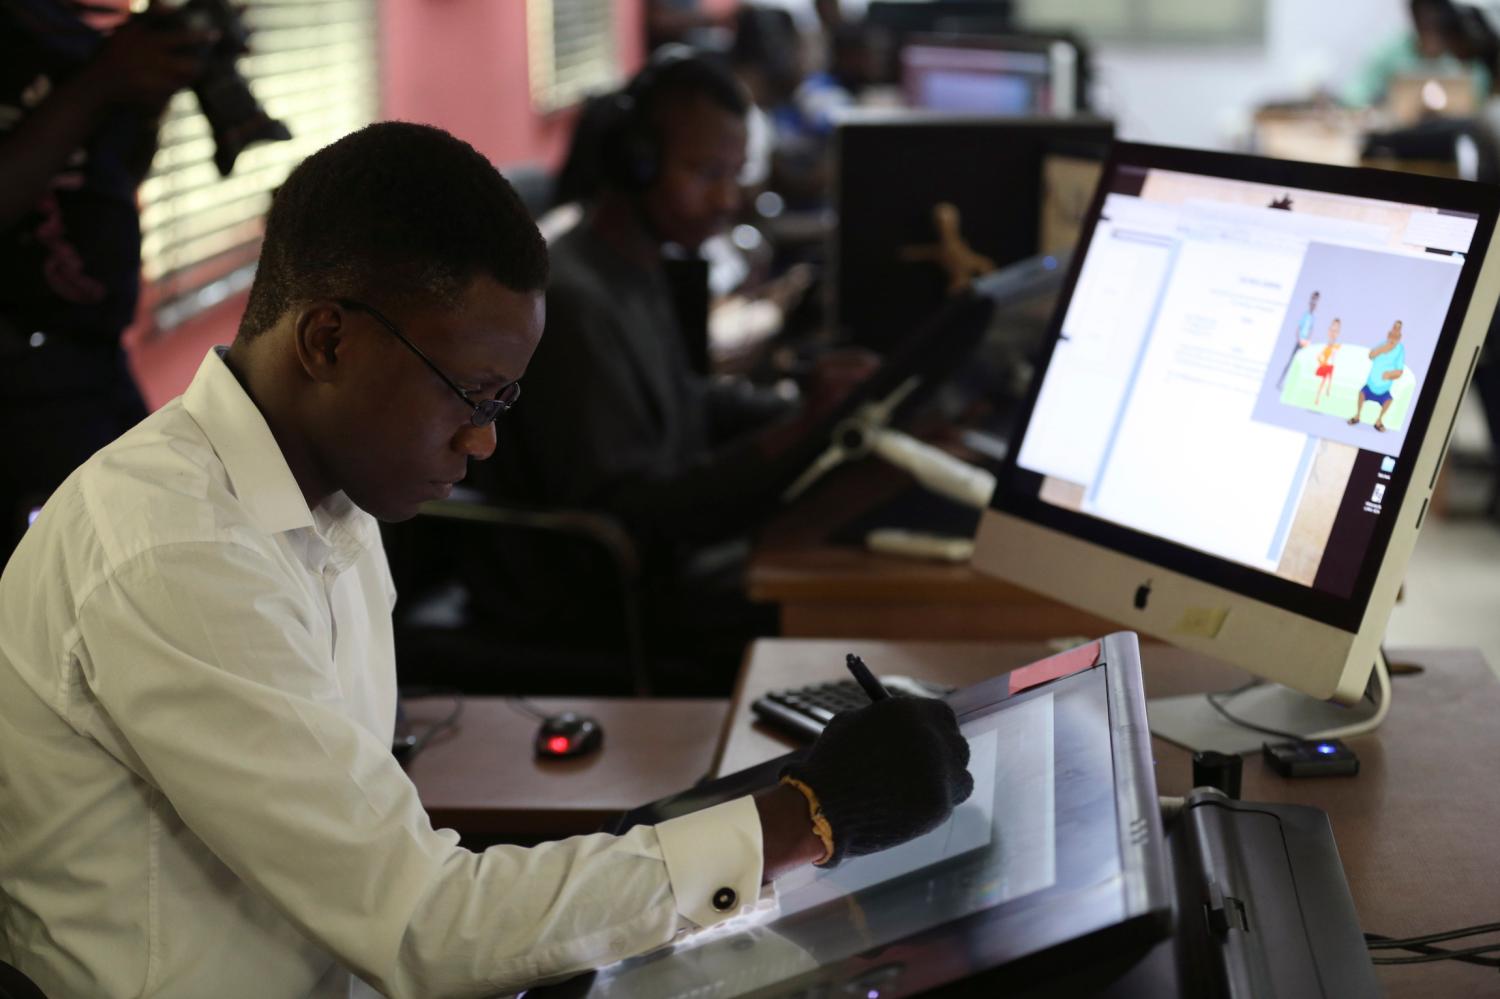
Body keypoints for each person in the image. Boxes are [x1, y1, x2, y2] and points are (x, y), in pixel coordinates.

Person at [0, 121, 973, 998]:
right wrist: (804, 816)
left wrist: (728, 829)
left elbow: (381, 863)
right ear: (329, 340)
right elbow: (420, 926)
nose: (485, 443)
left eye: (503, 403)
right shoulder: (177, 551)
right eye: (472, 395)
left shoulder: (322, 496)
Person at [0, 0, 216, 566]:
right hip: (21, 385)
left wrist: (145, 100)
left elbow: (108, 177)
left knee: (152, 551)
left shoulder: (61, 33)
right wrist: (102, 83)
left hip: (92, 358)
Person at [1342, 0, 1493, 108]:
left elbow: (1480, 90)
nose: (1430, 21)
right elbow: (1355, 94)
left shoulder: (1460, 49)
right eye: (1423, 17)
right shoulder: (1392, 51)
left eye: (1436, 17)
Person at [1350, 319, 1407, 431]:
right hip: (1370, 386)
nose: (1395, 331)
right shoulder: (1382, 344)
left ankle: (1378, 421)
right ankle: (1357, 416)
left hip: (1383, 390)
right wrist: (1384, 349)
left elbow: (1400, 372)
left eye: (1398, 329)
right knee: (1361, 394)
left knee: (1389, 400)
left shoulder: (1400, 349)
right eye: (1394, 328)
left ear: (1400, 335)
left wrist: (1390, 375)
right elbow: (1371, 355)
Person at [1276, 290, 1319, 390]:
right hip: (1299, 342)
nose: (1314, 305)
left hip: (1305, 344)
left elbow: (1311, 330)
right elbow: (1298, 328)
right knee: (1291, 361)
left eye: (1315, 303)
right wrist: (1300, 339)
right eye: (1312, 302)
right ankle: (1281, 382)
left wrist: (1308, 341)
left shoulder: (1313, 317)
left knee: (1300, 365)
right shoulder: (1305, 315)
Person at [1313, 317, 1342, 407]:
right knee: (1324, 381)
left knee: (1329, 381)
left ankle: (1327, 393)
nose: (1334, 332)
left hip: (1331, 364)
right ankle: (1317, 398)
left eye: (1336, 330)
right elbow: (1320, 355)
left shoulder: (1336, 344)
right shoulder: (1327, 345)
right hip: (1326, 363)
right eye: (1333, 329)